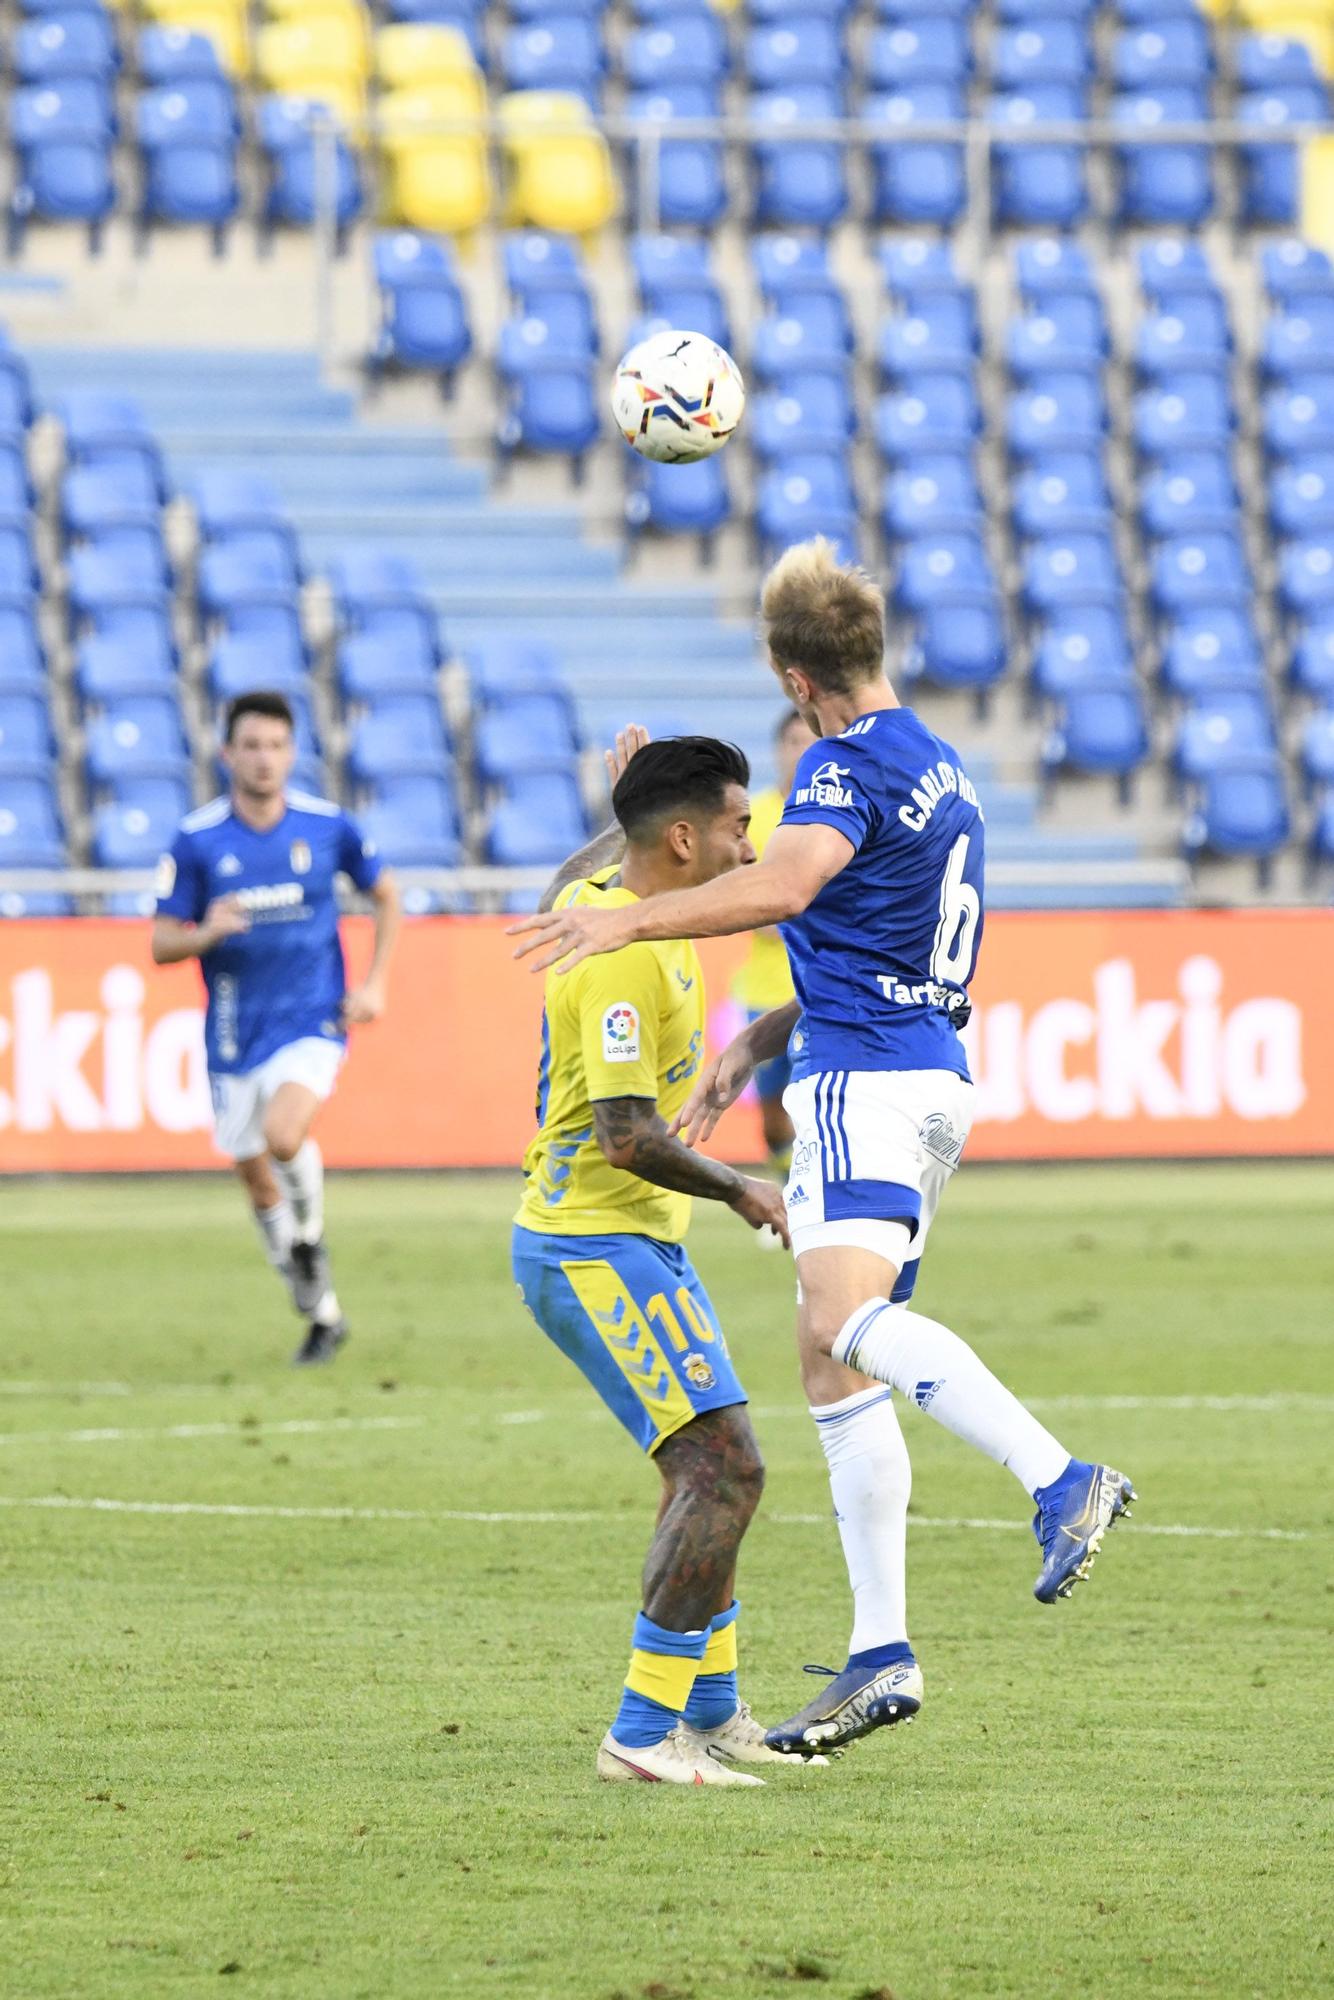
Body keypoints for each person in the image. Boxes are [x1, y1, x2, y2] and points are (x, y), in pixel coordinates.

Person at [511, 541, 1136, 1758]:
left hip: (863, 1082)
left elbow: (786, 890)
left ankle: (1058, 1477)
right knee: (830, 1364)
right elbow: (866, 933)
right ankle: (879, 1651)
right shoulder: (940, 764)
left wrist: (632, 906)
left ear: (793, 678)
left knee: (844, 1325)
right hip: (933, 1073)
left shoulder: (839, 771)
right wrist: (753, 1036)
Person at [511, 731, 810, 1787]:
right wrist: (741, 1188)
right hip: (591, 1244)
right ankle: (642, 1732)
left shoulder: (612, 897)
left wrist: (622, 799)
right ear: (682, 839)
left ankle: (714, 1710)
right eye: (734, 825)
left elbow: (573, 884)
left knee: (706, 1466)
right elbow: (626, 1134)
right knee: (723, 1464)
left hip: (633, 1240)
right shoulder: (626, 957)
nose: (747, 843)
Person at [152, 690, 401, 1366]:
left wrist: (374, 982)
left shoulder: (328, 826)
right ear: (227, 753)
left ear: (292, 754)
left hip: (312, 1019)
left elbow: (385, 894)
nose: (264, 759)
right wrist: (208, 932)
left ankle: (310, 1239)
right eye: (251, 746)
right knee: (255, 1177)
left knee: (284, 1135)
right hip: (234, 1032)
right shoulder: (198, 838)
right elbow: (160, 943)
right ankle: (322, 1313)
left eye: (276, 746)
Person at [729, 709, 817, 1177]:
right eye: (793, 742)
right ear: (778, 750)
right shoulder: (756, 816)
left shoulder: (835, 813)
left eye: (809, 741)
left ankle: (811, 1194)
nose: (801, 752)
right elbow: (749, 903)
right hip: (763, 991)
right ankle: (786, 1183)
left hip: (818, 994)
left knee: (813, 1101)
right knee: (773, 1112)